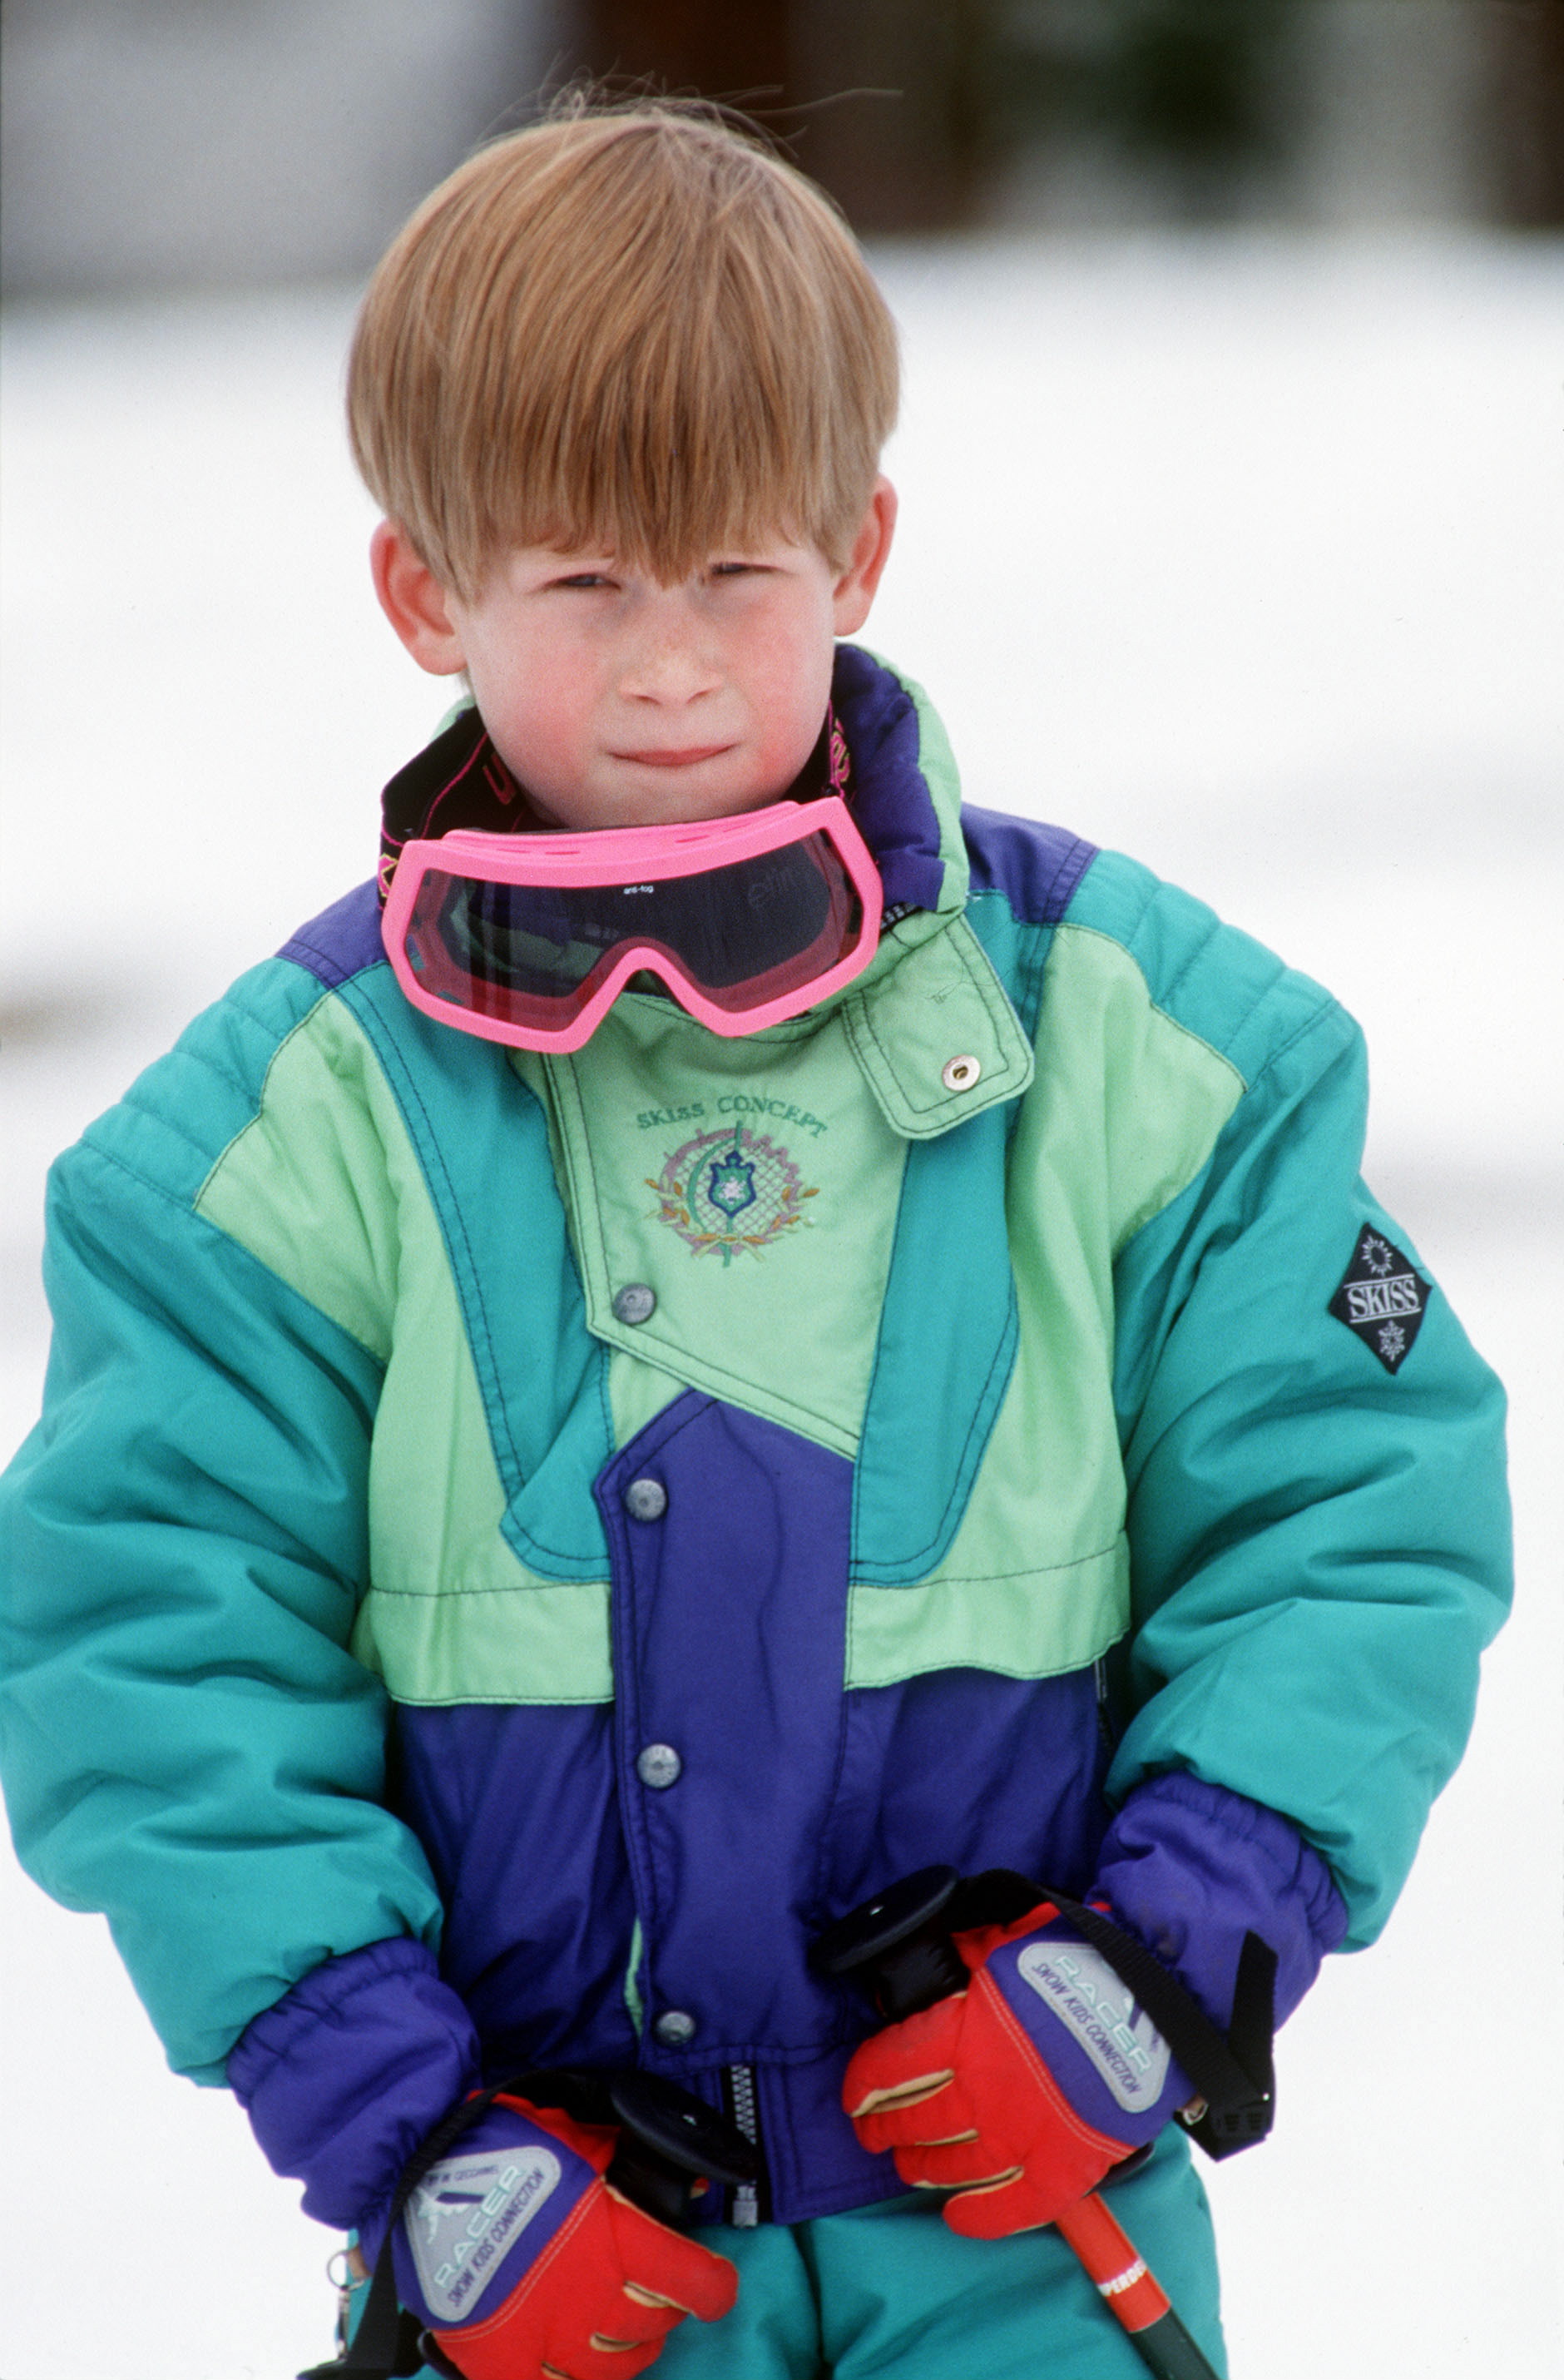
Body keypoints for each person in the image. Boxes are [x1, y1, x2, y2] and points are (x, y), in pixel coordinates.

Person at [0, 99, 1511, 2380]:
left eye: (734, 574)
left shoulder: (1148, 1043)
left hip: (1024, 2224)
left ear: (860, 549)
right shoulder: (268, 1147)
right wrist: (409, 2129)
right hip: (561, 2256)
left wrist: (1169, 1957)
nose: (674, 667)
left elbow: (1360, 1506)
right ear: (425, 592)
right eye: (584, 586)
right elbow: (148, 1636)